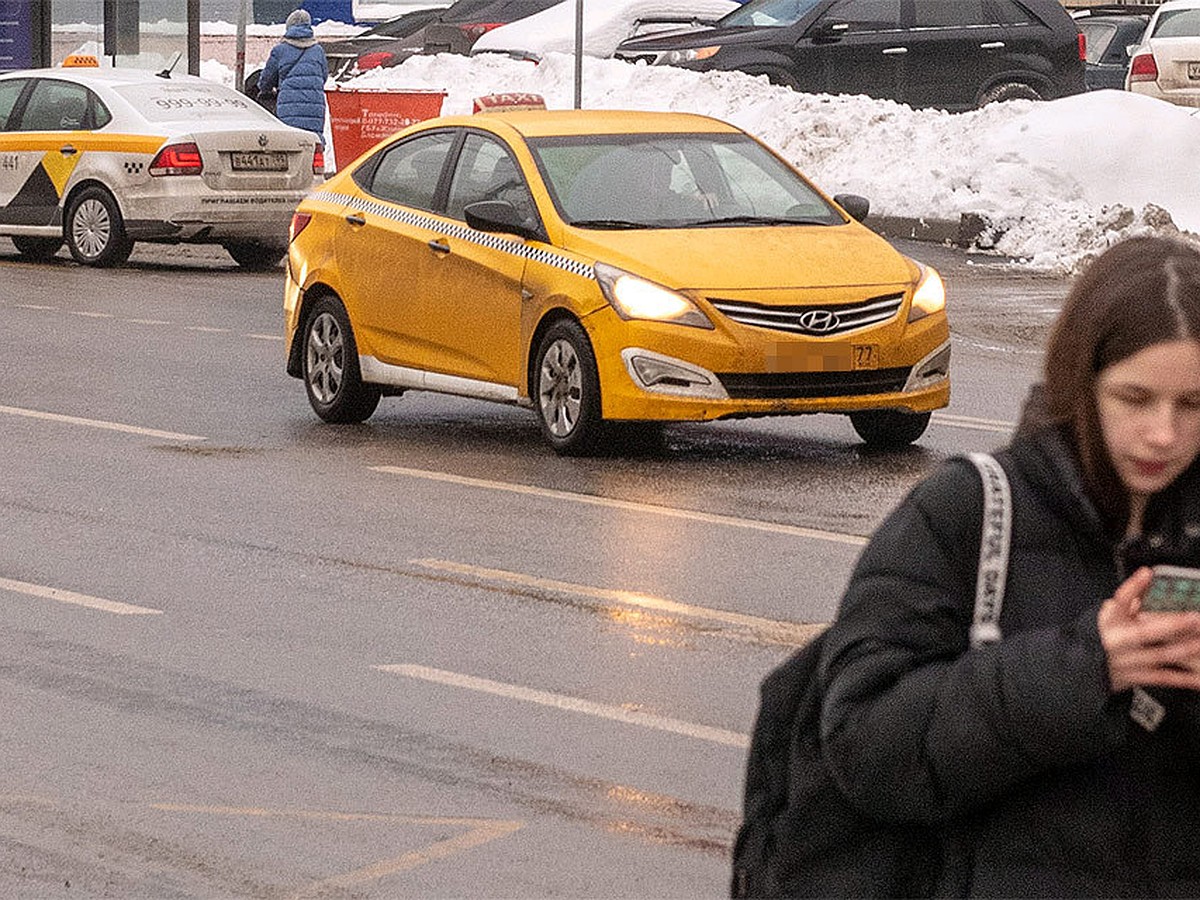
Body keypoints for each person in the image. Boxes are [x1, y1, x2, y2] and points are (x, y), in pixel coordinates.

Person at [817, 234, 1200, 896]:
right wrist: (1085, 666)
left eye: (1193, 405)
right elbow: (865, 746)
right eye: (1135, 399)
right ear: (1082, 383)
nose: (1163, 434)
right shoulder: (971, 510)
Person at [257, 8, 328, 139]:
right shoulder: (318, 51)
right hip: (315, 107)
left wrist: (266, 90)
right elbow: (324, 77)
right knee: (313, 142)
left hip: (288, 106)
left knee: (290, 142)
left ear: (288, 27)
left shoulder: (280, 50)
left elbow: (265, 82)